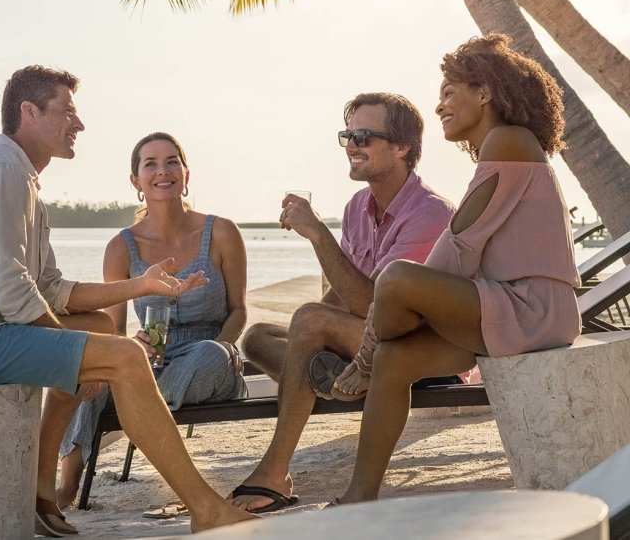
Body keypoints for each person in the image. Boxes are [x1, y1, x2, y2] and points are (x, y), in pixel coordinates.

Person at [0, 66, 255, 536]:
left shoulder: (22, 181)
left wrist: (140, 285)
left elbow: (49, 288)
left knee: (102, 327)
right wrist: (71, 359)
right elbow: (10, 290)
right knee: (126, 356)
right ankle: (204, 508)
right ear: (29, 112)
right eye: (68, 110)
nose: (80, 123)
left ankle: (42, 493)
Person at [332, 34, 580, 503]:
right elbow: (462, 250)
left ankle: (365, 355)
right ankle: (359, 495)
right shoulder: (503, 148)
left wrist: (395, 303)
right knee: (396, 357)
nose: (440, 105)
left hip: (533, 309)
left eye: (450, 92)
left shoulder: (510, 141)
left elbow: (460, 242)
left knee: (398, 277)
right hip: (497, 307)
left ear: (484, 92)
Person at [229, 92, 454, 513]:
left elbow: (380, 308)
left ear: (402, 147)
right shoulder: (357, 207)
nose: (352, 146)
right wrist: (314, 328)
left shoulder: (430, 215)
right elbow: (340, 297)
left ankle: (274, 473)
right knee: (258, 336)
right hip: (365, 345)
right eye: (348, 135)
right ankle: (341, 379)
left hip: (418, 353)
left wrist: (318, 235)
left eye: (364, 136)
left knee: (310, 321)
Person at [55, 132, 249, 512]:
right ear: (136, 182)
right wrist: (134, 346)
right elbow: (110, 327)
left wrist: (227, 345)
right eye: (151, 164)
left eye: (172, 161)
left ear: (186, 172)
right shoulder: (121, 247)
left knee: (207, 354)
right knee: (89, 366)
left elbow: (239, 310)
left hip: (210, 356)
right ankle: (67, 482)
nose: (163, 171)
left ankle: (139, 405)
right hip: (149, 360)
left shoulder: (221, 232)